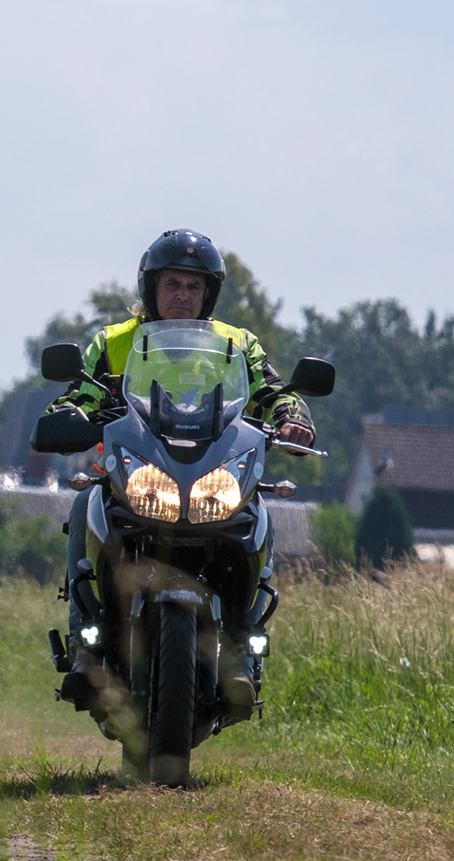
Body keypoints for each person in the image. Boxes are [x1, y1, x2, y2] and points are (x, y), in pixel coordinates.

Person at [48, 229, 315, 715]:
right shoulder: (112, 343)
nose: (182, 296)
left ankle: (240, 647)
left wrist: (293, 419)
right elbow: (76, 396)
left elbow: (276, 390)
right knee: (85, 500)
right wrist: (69, 418)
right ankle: (86, 645)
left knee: (258, 513)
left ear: (208, 293)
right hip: (138, 473)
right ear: (151, 288)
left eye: (194, 287)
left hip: (212, 473)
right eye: (172, 284)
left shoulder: (237, 344)